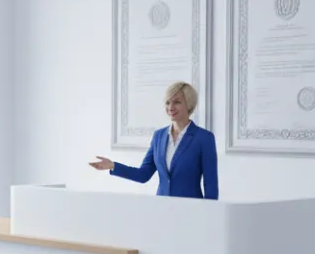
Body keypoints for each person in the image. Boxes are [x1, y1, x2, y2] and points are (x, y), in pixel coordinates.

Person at [90, 81, 219, 199]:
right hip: (161, 210)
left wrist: (209, 217)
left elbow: (211, 186)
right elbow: (143, 174)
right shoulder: (159, 136)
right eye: (168, 102)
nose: (171, 107)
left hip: (191, 211)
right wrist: (113, 165)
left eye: (177, 102)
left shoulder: (204, 138)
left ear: (189, 104)